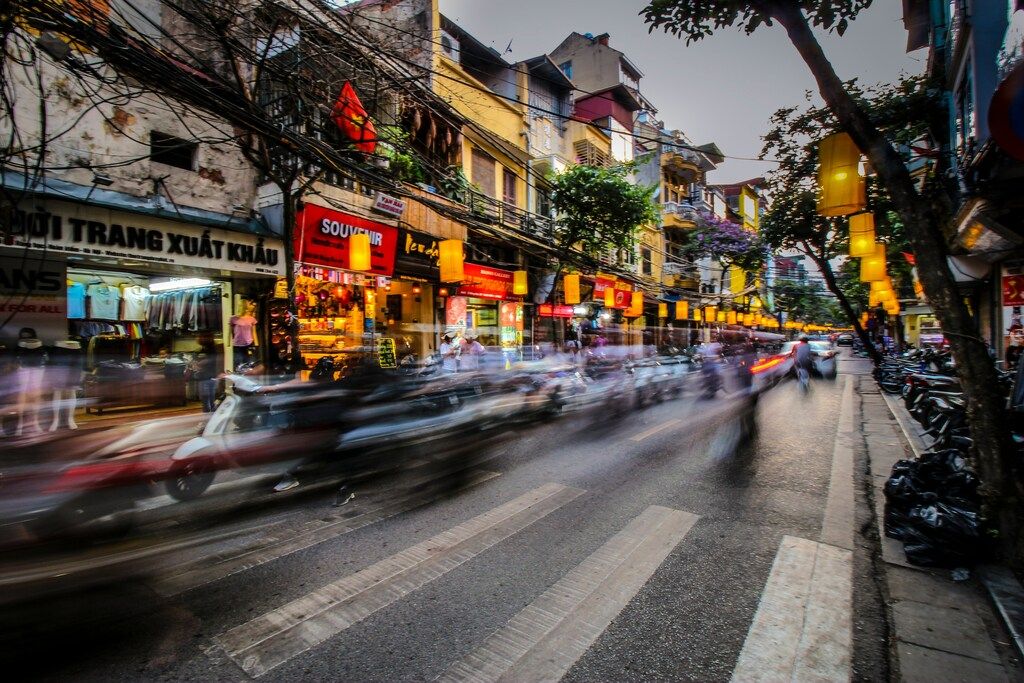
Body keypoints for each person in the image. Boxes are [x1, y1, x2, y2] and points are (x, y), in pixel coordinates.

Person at [193, 333, 221, 412]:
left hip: (208, 376)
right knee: (209, 397)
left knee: (207, 397)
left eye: (200, 337)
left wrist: (200, 363)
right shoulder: (201, 350)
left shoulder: (212, 350)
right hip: (207, 376)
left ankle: (208, 414)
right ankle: (209, 413)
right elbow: (195, 362)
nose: (198, 339)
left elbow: (211, 360)